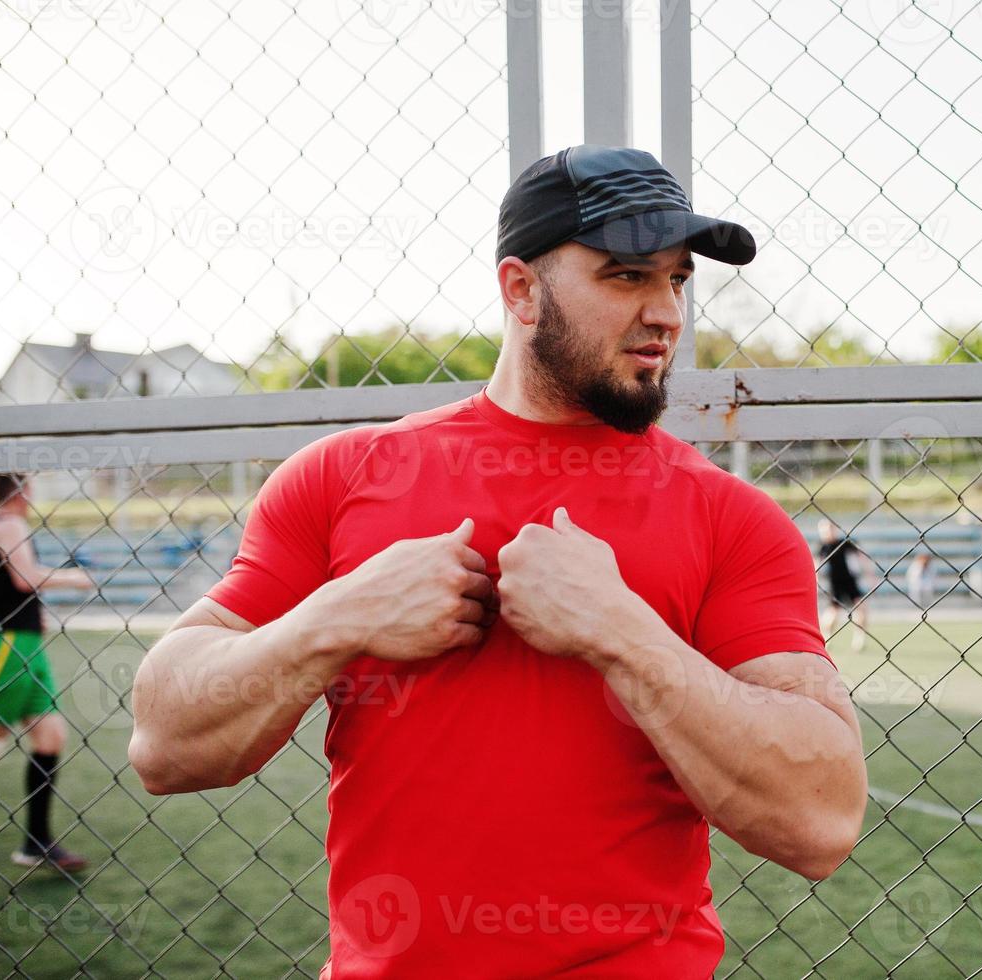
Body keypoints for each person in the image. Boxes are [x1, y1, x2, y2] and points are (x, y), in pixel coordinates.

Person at [129, 145, 868, 978]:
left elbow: (821, 820)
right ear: (520, 289)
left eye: (677, 281)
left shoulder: (731, 517)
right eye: (626, 276)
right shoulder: (341, 476)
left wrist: (625, 634)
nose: (666, 312)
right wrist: (338, 616)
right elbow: (164, 742)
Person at [0, 472, 94, 871]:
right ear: (22, 491)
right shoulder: (8, 523)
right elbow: (24, 578)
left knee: (49, 736)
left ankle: (36, 843)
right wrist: (75, 578)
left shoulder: (3, 524)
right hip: (7, 645)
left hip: (27, 645)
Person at [815, 519, 872, 653]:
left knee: (861, 607)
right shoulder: (823, 546)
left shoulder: (844, 543)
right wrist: (816, 581)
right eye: (824, 529)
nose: (827, 532)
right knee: (833, 612)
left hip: (850, 581)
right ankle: (826, 637)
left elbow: (860, 555)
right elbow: (816, 564)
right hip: (835, 583)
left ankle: (859, 637)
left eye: (829, 528)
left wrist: (868, 573)